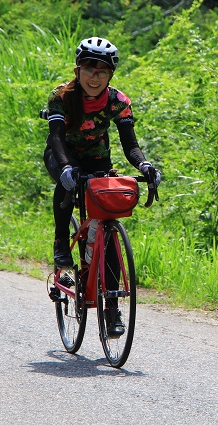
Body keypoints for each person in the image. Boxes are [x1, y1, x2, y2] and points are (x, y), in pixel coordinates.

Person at [44, 36, 158, 334]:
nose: (95, 77)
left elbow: (130, 145)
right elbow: (56, 137)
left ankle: (112, 309)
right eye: (89, 69)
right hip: (62, 155)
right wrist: (66, 167)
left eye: (102, 71)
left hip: (98, 161)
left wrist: (144, 165)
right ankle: (60, 242)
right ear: (77, 70)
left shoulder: (118, 101)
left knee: (107, 231)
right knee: (67, 183)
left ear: (111, 75)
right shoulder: (61, 97)